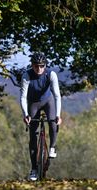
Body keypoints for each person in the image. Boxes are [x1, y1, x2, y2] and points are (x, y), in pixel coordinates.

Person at [20, 52, 62, 181]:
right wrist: (26, 114)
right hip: (33, 103)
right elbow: (23, 97)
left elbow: (57, 96)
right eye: (36, 66)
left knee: (53, 121)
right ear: (32, 65)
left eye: (42, 66)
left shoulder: (51, 74)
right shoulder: (27, 76)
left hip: (47, 101)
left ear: (45, 65)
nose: (39, 69)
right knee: (33, 134)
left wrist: (58, 115)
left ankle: (52, 147)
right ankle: (33, 169)